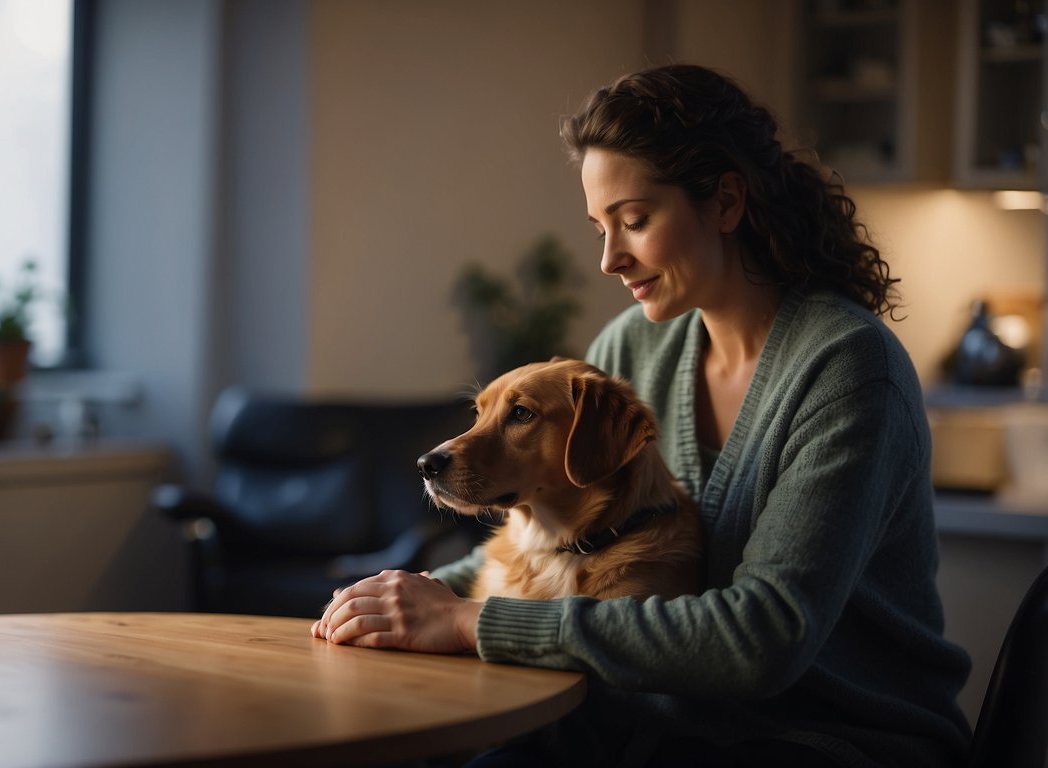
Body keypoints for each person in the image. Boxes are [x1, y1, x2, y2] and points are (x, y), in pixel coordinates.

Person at [312, 63, 972, 767]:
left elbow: (761, 640)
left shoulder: (845, 371)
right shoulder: (634, 344)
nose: (608, 259)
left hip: (830, 737)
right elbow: (542, 541)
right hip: (662, 723)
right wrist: (406, 604)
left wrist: (470, 623)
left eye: (634, 220)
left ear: (725, 202)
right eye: (600, 226)